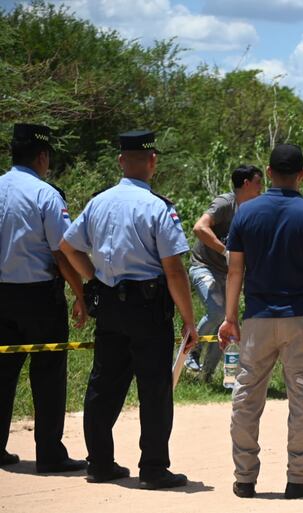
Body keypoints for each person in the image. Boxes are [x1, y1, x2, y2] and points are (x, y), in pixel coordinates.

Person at [60, 130, 199, 489]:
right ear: (152, 161)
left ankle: (100, 464)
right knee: (154, 388)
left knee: (104, 384)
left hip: (109, 305)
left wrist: (93, 280)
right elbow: (174, 270)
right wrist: (188, 318)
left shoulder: (99, 203)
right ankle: (153, 469)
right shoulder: (157, 207)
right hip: (149, 308)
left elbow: (68, 246)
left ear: (121, 161)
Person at [218, 143, 303, 500]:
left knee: (246, 397)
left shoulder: (245, 213)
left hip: (256, 319)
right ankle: (299, 478)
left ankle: (244, 478)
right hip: (302, 320)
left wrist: (229, 319)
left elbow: (234, 271)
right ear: (301, 175)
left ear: (269, 173)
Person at [0, 123, 88, 473]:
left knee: (2, 374)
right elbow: (62, 252)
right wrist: (82, 294)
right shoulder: (45, 195)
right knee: (49, 374)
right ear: (42, 157)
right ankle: (50, 454)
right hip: (38, 298)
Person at [185, 165, 262, 380]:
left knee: (228, 322)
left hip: (230, 274)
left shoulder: (254, 210)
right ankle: (193, 350)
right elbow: (199, 228)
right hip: (203, 266)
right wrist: (224, 250)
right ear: (246, 184)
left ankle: (205, 375)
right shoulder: (225, 203)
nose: (261, 188)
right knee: (218, 312)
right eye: (258, 183)